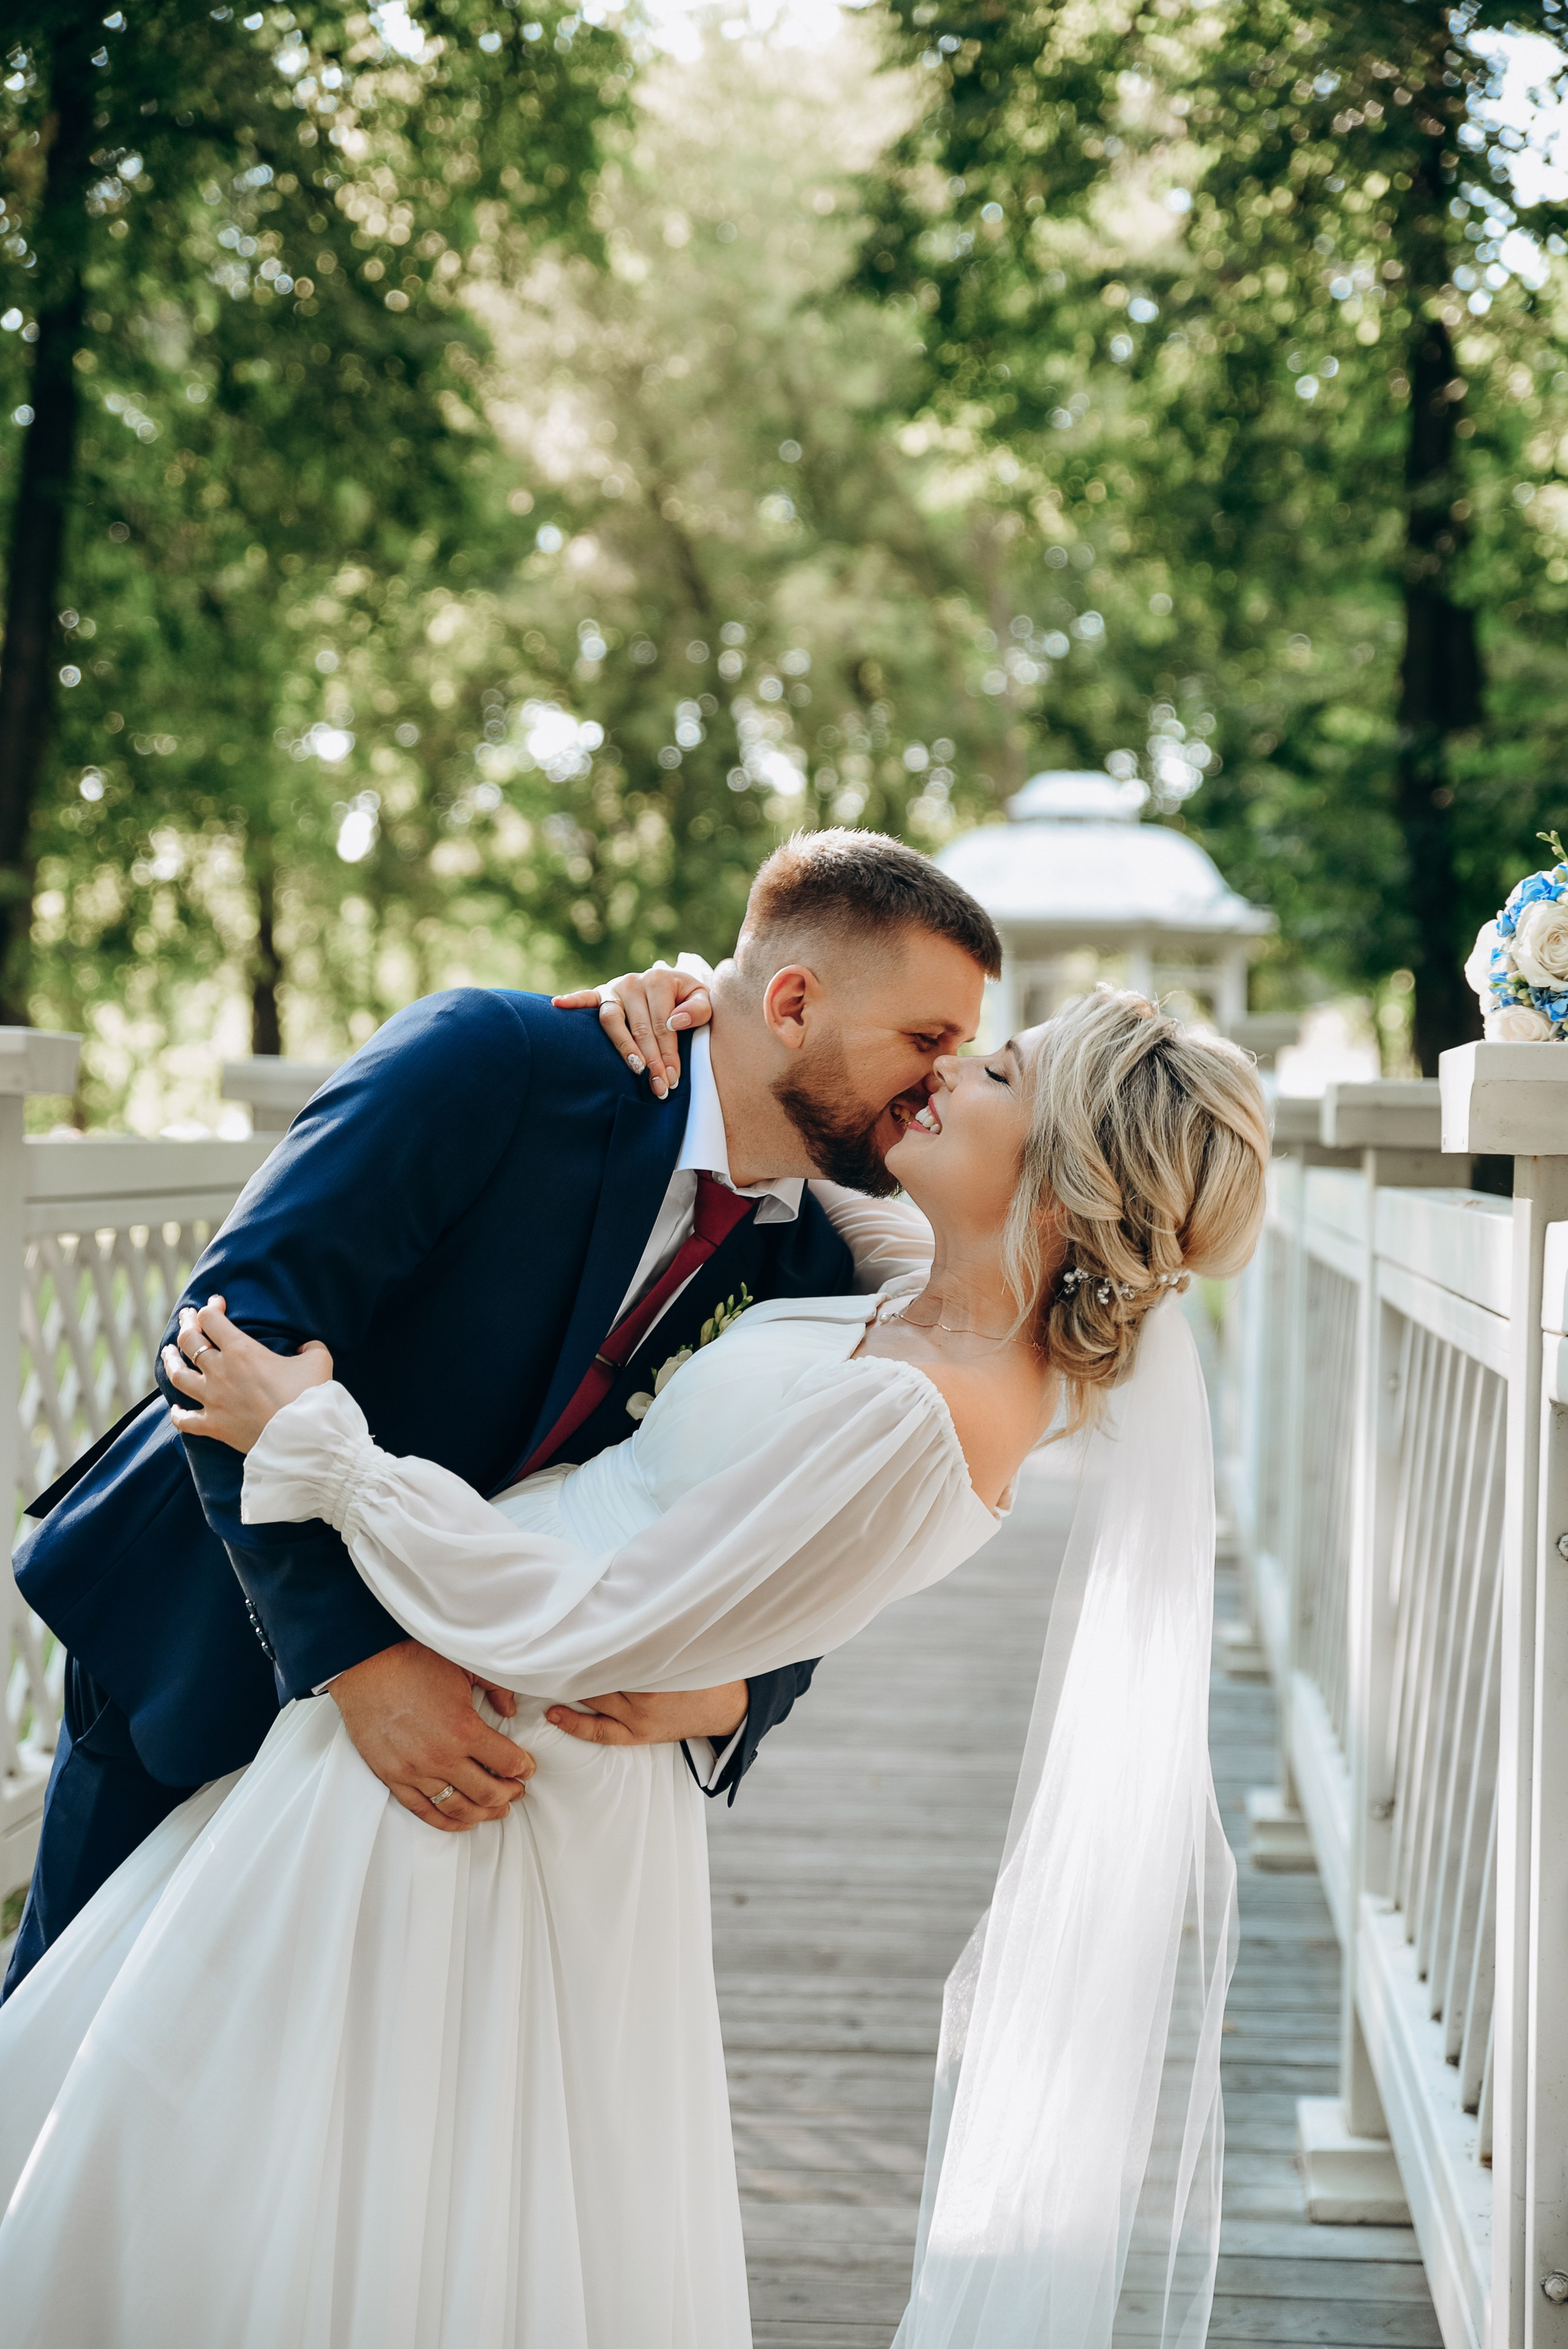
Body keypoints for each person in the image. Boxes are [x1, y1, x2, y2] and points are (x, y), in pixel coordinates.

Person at [0, 988, 1269, 2349]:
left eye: (997, 1070)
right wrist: (701, 1005)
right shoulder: (932, 1285)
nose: (949, 1071)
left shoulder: (929, 1403)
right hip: (504, 1701)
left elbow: (594, 1620)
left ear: (1064, 1172)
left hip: (507, 1744)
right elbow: (769, 1130)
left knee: (343, 2149)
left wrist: (321, 1443)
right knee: (283, 2111)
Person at [2, 828, 1000, 1997]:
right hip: (219, 1621)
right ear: (790, 1004)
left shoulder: (824, 1271)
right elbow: (231, 1332)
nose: (940, 1081)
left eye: (966, 1053)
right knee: (73, 2039)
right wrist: (361, 1666)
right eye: (926, 1041)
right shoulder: (497, 1062)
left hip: (465, 1752)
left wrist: (738, 1693)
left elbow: (809, 1532)